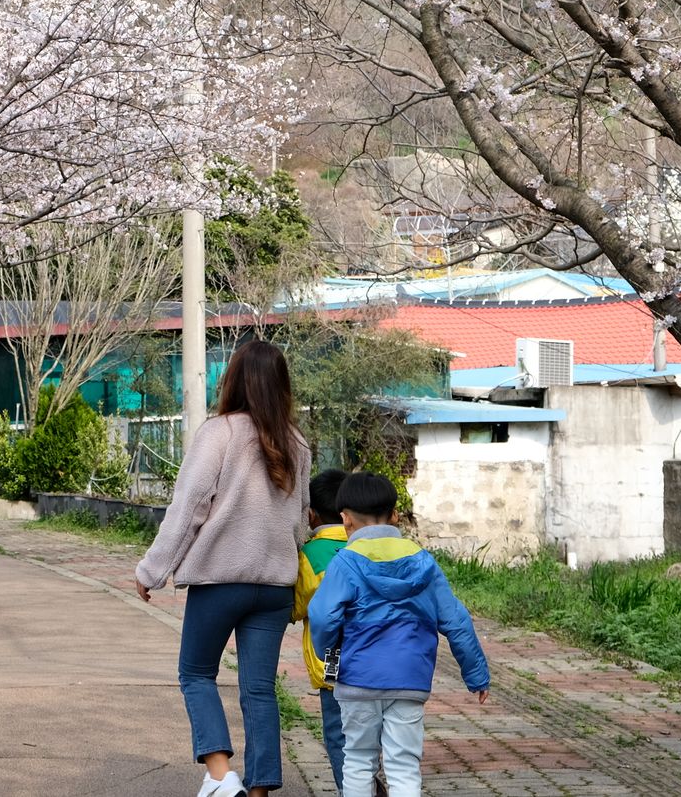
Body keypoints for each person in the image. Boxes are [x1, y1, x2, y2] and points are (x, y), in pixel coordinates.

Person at [133, 340, 310, 797]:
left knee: (196, 673)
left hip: (220, 580)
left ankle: (219, 775)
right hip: (274, 586)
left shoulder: (220, 433)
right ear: (281, 385)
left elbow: (189, 507)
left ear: (233, 379)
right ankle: (259, 791)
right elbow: (300, 520)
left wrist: (152, 570)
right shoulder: (298, 444)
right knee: (259, 690)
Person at [307, 472, 490, 797]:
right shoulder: (424, 562)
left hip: (358, 679)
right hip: (409, 681)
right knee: (403, 763)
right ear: (394, 515)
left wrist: (327, 651)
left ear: (345, 519)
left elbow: (322, 616)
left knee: (359, 760)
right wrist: (476, 674)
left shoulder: (345, 563)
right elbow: (456, 620)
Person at [292, 468, 351, 793]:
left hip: (333, 662)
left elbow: (298, 607)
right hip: (375, 661)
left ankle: (350, 790)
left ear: (311, 515)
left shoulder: (309, 554)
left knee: (337, 734)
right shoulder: (365, 547)